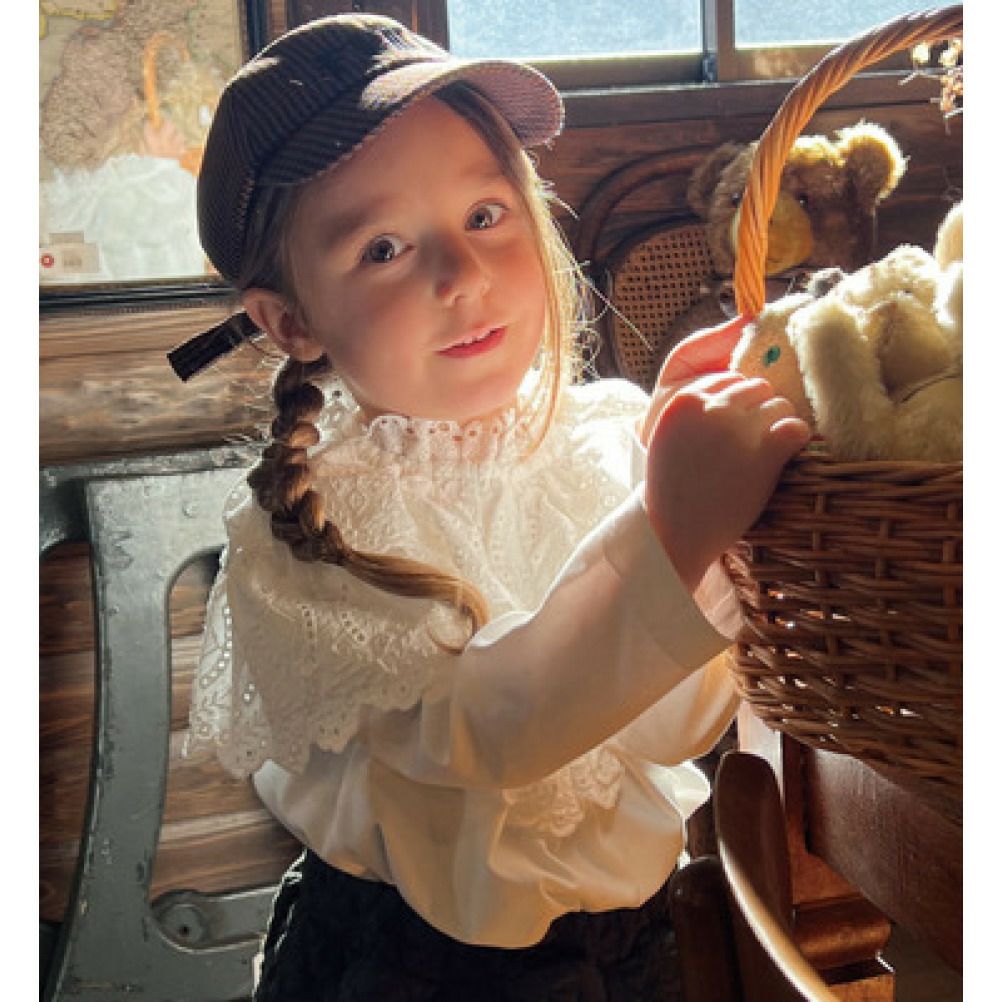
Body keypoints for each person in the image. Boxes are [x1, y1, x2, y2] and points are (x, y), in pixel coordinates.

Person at [174, 12, 810, 1000]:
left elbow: (666, 726)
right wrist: (670, 531)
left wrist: (696, 502)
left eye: (483, 215)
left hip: (638, 944)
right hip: (418, 968)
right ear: (291, 319)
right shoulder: (311, 529)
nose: (463, 274)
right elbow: (490, 733)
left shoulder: (598, 434)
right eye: (384, 247)